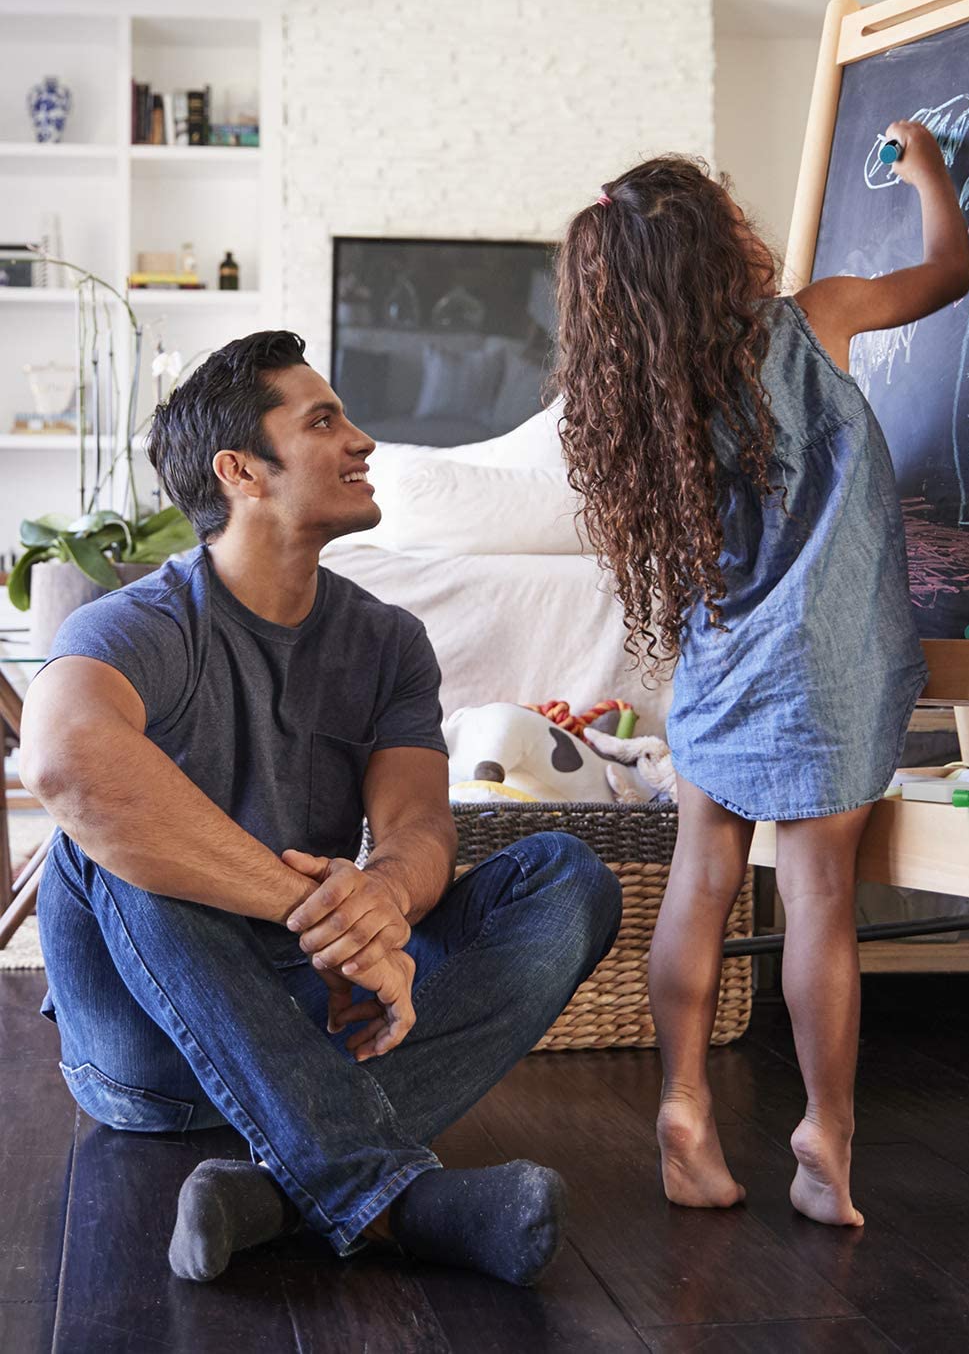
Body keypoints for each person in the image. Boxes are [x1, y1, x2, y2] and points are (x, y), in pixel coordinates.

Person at [21, 331, 621, 1283]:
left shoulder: (387, 642)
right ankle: (387, 1196)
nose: (364, 440)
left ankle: (274, 1189)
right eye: (324, 421)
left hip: (316, 1013)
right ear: (241, 471)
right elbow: (61, 759)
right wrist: (314, 912)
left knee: (568, 878)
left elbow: (422, 825)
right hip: (150, 1043)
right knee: (108, 840)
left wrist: (381, 899)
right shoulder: (142, 622)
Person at [548, 124, 969, 1225]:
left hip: (723, 672)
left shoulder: (652, 406)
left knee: (700, 885)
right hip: (827, 670)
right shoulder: (813, 321)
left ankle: (685, 1104)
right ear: (720, 248)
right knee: (822, 901)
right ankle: (824, 1134)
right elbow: (948, 271)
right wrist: (929, 173)